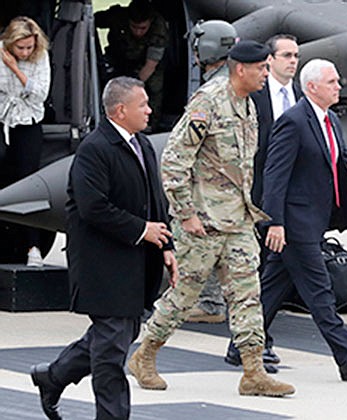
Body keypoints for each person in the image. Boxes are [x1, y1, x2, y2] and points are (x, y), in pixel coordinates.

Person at [127, 40, 295, 397]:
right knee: (183, 297)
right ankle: (145, 354)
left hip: (238, 222)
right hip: (202, 223)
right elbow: (173, 160)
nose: (267, 75)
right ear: (240, 69)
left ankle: (253, 371)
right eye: (262, 68)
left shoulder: (247, 105)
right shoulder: (209, 102)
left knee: (248, 296)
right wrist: (185, 214)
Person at [29, 76, 178, 420]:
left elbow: (154, 200)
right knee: (111, 354)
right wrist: (142, 230)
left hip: (135, 262)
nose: (150, 110)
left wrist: (165, 247)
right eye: (143, 104)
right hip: (104, 266)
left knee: (113, 337)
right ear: (121, 110)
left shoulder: (140, 143)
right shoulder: (95, 149)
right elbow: (92, 206)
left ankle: (52, 377)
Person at [258, 58, 347, 381]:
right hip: (294, 223)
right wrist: (274, 222)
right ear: (312, 88)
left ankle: (241, 345)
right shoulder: (293, 122)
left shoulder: (330, 119)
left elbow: (346, 166)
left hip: (314, 220)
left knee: (272, 288)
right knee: (319, 291)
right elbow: (274, 176)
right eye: (332, 82)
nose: (339, 86)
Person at [224, 33, 304, 368]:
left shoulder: (301, 96)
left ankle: (249, 342)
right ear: (268, 61)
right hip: (253, 197)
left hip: (288, 199)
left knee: (272, 272)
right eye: (286, 55)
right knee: (253, 272)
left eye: (296, 55)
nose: (292, 61)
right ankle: (253, 343)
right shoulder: (252, 97)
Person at [182, 19, 237, 325]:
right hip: (230, 184)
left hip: (212, 183)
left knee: (207, 242)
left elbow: (191, 143)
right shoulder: (234, 84)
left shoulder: (212, 91)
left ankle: (210, 302)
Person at [0, 16, 50, 267]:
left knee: (27, 181)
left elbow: (40, 94)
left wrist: (16, 70)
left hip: (28, 124)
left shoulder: (40, 57)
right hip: (3, 121)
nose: (25, 52)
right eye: (20, 48)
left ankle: (33, 246)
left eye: (29, 46)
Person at [95, 0, 169, 131]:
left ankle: (150, 125)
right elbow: (92, 21)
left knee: (154, 87)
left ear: (150, 22)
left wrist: (131, 88)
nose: (138, 32)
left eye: (142, 28)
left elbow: (150, 65)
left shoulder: (159, 29)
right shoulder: (117, 16)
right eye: (134, 27)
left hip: (145, 63)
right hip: (119, 58)